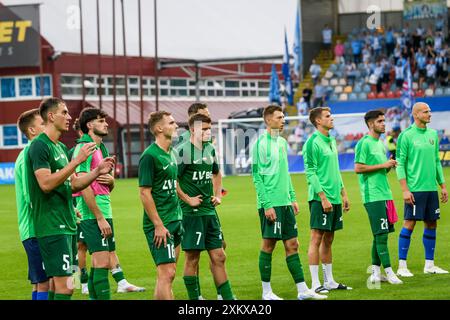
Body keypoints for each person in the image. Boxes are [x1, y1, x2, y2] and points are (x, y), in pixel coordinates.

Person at [25, 97, 115, 300]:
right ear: (50, 116)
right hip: (52, 226)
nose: (69, 117)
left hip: (69, 225)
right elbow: (46, 184)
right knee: (64, 287)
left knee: (67, 286)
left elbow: (74, 184)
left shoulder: (58, 148)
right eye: (64, 112)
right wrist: (77, 161)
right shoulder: (40, 146)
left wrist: (97, 171)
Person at [251, 105, 326, 300]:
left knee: (293, 244)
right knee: (268, 245)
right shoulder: (260, 144)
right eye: (279, 117)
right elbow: (257, 177)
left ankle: (302, 290)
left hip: (285, 203)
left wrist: (292, 198)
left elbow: (286, 173)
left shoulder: (283, 143)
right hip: (271, 203)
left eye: (283, 117)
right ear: (268, 120)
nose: (283, 120)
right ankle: (266, 292)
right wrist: (267, 204)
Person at [73, 107, 145, 299]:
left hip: (104, 207)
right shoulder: (84, 147)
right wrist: (99, 217)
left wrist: (112, 182)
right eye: (101, 120)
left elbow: (104, 185)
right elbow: (82, 185)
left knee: (101, 260)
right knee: (101, 259)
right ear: (89, 125)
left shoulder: (101, 147)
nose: (106, 123)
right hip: (92, 212)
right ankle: (83, 284)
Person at [176, 113, 235, 300]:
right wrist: (188, 199)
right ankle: (196, 299)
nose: (208, 132)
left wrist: (218, 195)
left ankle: (227, 298)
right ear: (192, 130)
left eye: (210, 129)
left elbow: (216, 174)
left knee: (219, 256)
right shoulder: (183, 151)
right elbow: (172, 179)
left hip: (209, 211)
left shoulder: (210, 149)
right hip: (191, 214)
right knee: (192, 258)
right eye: (204, 129)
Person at [302, 107, 352, 293]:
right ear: (318, 121)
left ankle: (329, 280)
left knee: (329, 239)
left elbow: (336, 170)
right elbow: (310, 172)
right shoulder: (312, 142)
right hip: (319, 198)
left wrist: (343, 193)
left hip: (335, 198)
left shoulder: (331, 140)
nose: (332, 118)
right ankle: (315, 283)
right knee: (316, 238)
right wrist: (322, 197)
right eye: (327, 116)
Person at [396, 102, 448, 277]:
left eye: (430, 111)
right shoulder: (406, 136)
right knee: (409, 223)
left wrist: (442, 186)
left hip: (430, 189)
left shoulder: (433, 134)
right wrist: (405, 189)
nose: (430, 114)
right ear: (416, 115)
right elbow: (400, 164)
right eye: (426, 112)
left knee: (432, 223)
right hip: (415, 189)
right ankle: (402, 266)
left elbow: (436, 161)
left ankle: (429, 265)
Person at [354, 110, 403, 285]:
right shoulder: (364, 143)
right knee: (381, 235)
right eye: (380, 121)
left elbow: (380, 169)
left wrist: (388, 165)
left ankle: (375, 273)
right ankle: (390, 272)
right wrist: (384, 164)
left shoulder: (381, 144)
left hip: (385, 193)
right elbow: (358, 168)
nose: (384, 124)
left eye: (384, 121)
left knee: (380, 235)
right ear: (370, 124)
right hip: (372, 195)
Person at [138, 111, 183, 300]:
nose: (176, 126)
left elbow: (174, 184)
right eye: (172, 123)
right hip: (160, 224)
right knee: (167, 273)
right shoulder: (149, 156)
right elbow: (144, 192)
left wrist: (187, 200)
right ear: (159, 128)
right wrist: (158, 224)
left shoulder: (171, 152)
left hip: (175, 219)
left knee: (168, 275)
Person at [15, 109, 48, 300]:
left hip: (39, 228)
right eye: (43, 123)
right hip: (35, 230)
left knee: (39, 281)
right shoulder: (28, 155)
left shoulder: (33, 153)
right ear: (33, 130)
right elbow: (30, 197)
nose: (47, 126)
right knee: (46, 281)